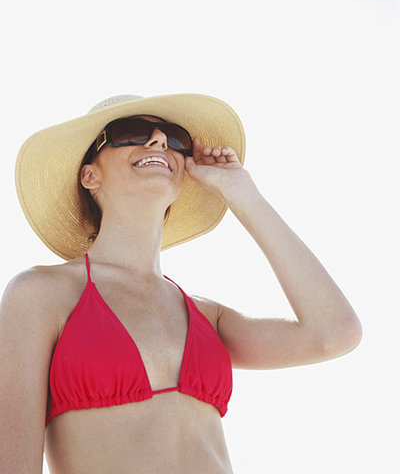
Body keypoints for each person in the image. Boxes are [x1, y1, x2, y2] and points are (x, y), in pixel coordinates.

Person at [1, 93, 362, 474]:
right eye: (132, 132)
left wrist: (243, 195)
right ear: (90, 174)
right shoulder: (40, 294)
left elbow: (335, 332)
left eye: (174, 138)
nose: (158, 141)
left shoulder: (209, 316)